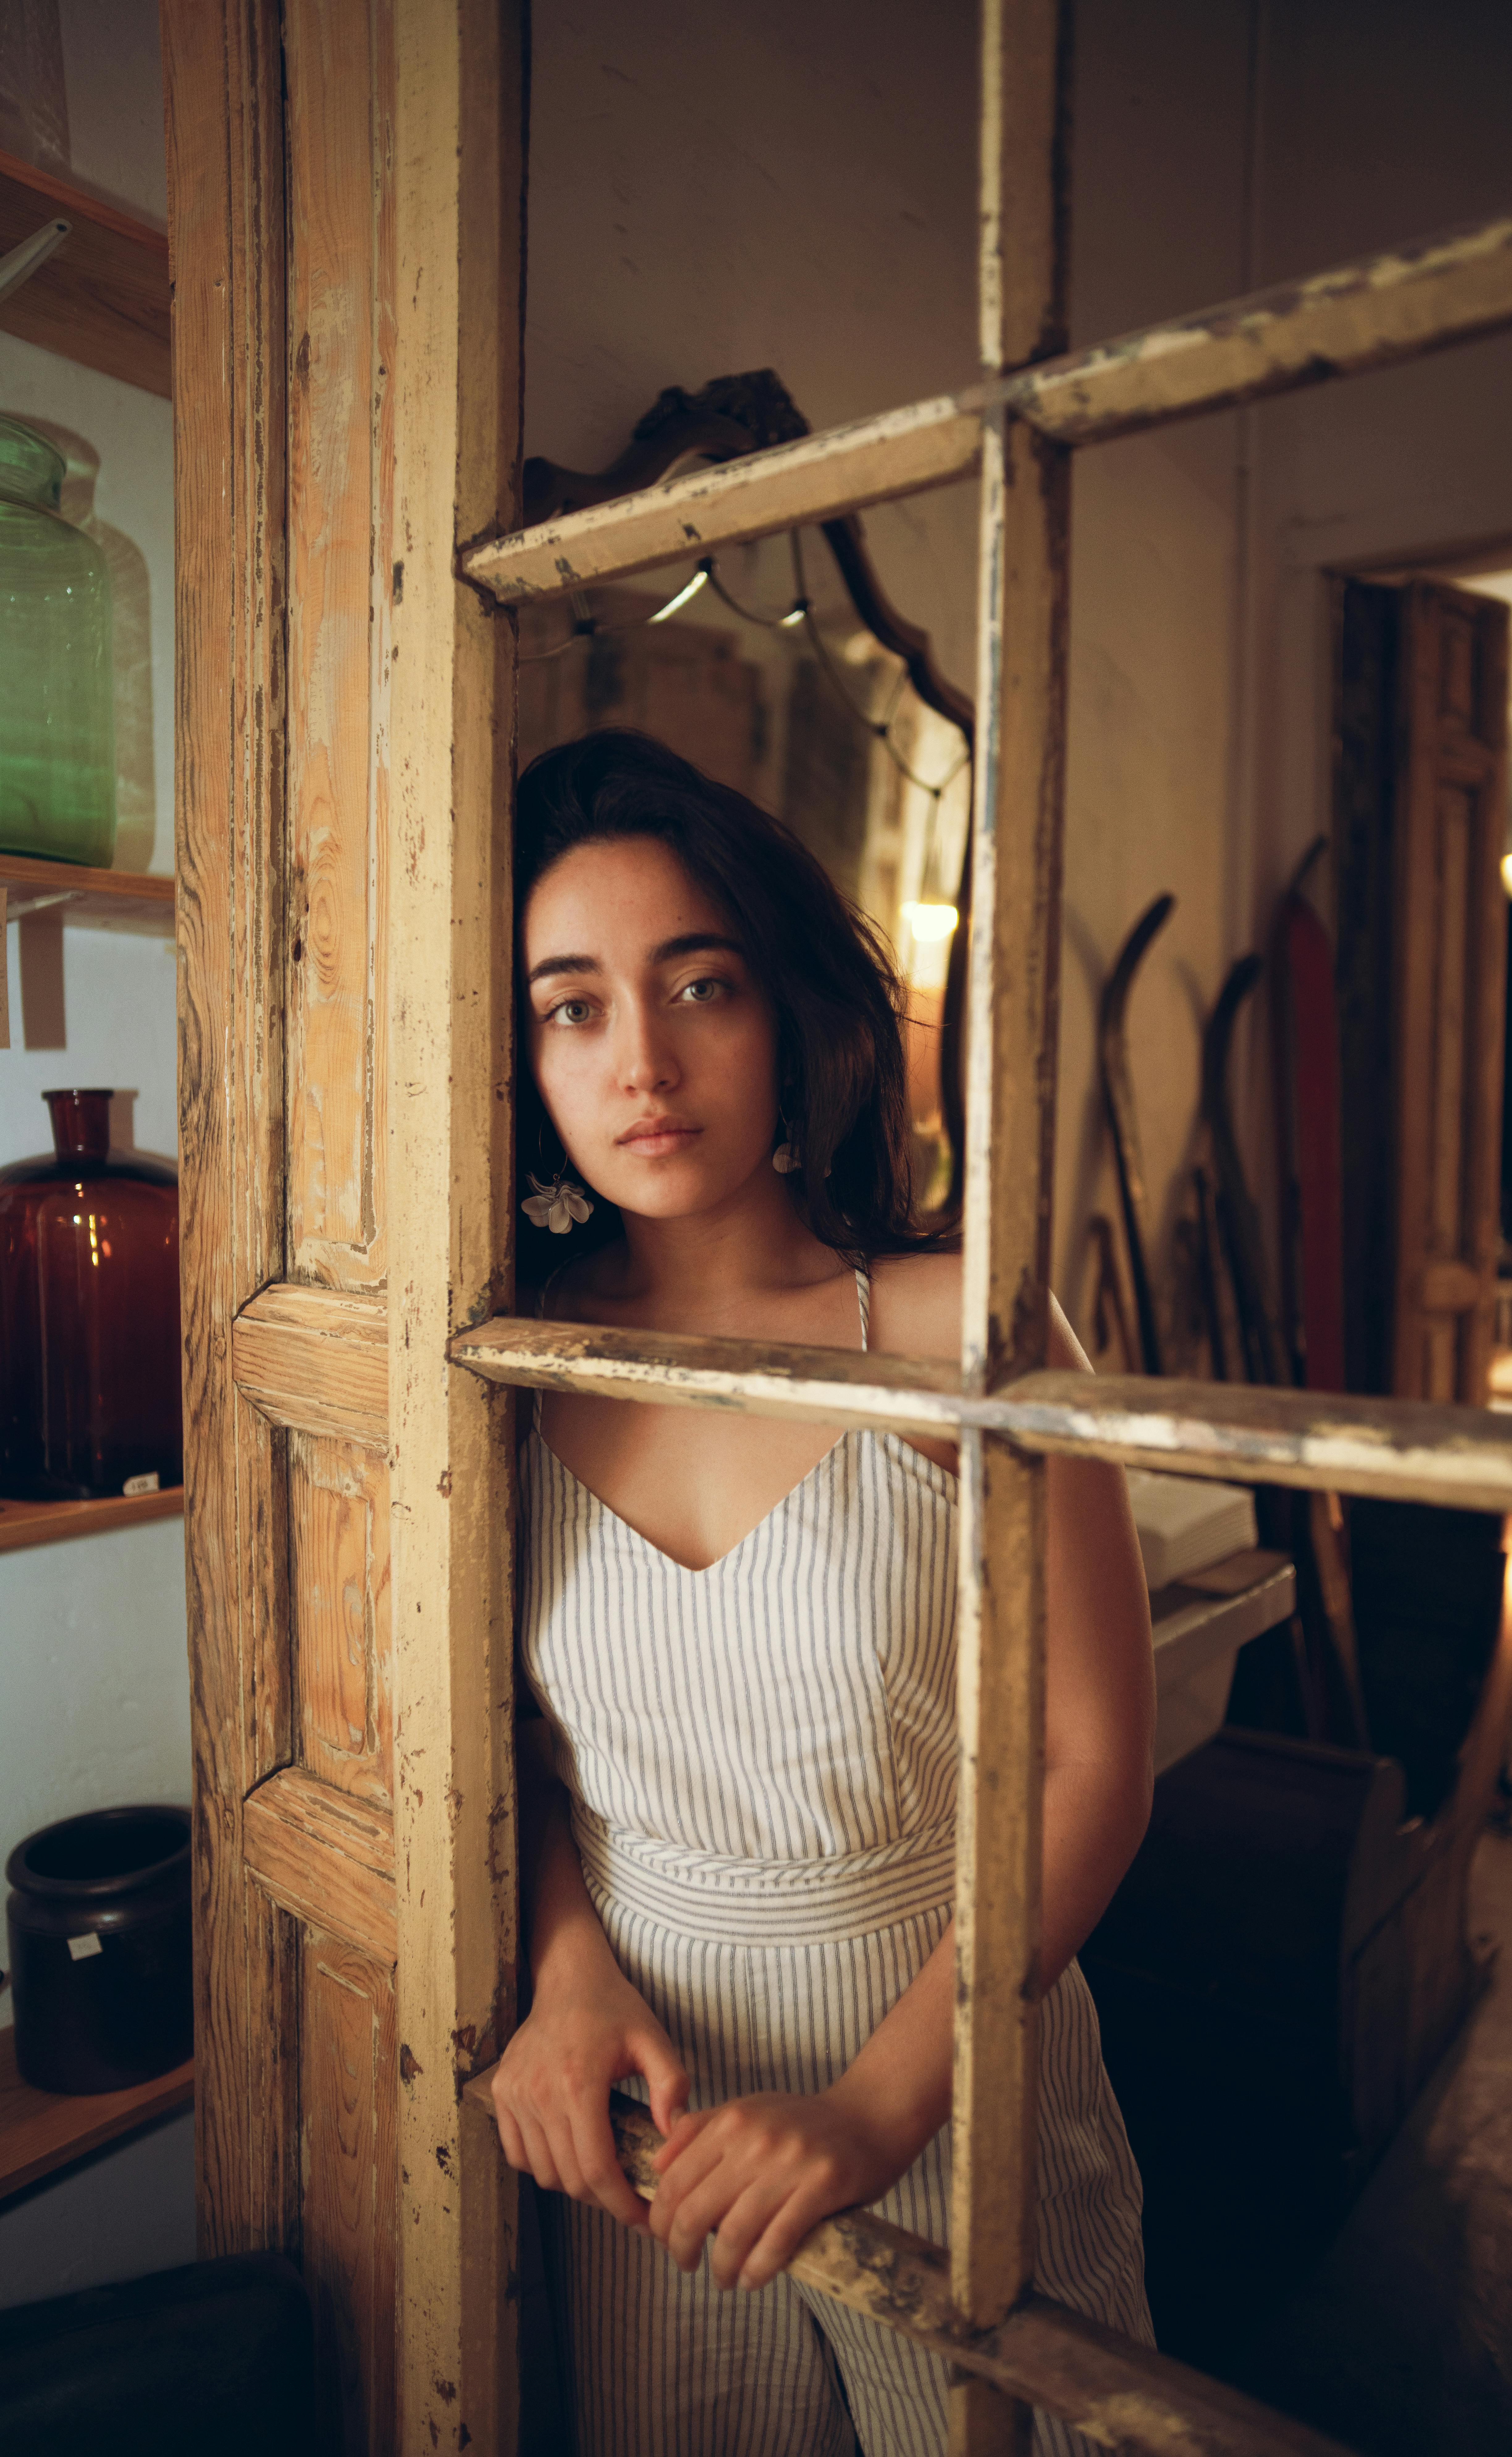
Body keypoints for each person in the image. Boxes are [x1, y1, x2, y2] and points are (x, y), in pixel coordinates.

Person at [492, 729, 1156, 2455]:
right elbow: (505, 1745)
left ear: (788, 1009)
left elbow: (1091, 1765)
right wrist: (563, 1975)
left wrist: (875, 2107)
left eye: (697, 983)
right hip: (647, 2111)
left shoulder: (971, 1332)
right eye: (572, 1006)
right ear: (520, 1061)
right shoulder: (504, 1352)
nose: (642, 1059)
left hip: (946, 2069)